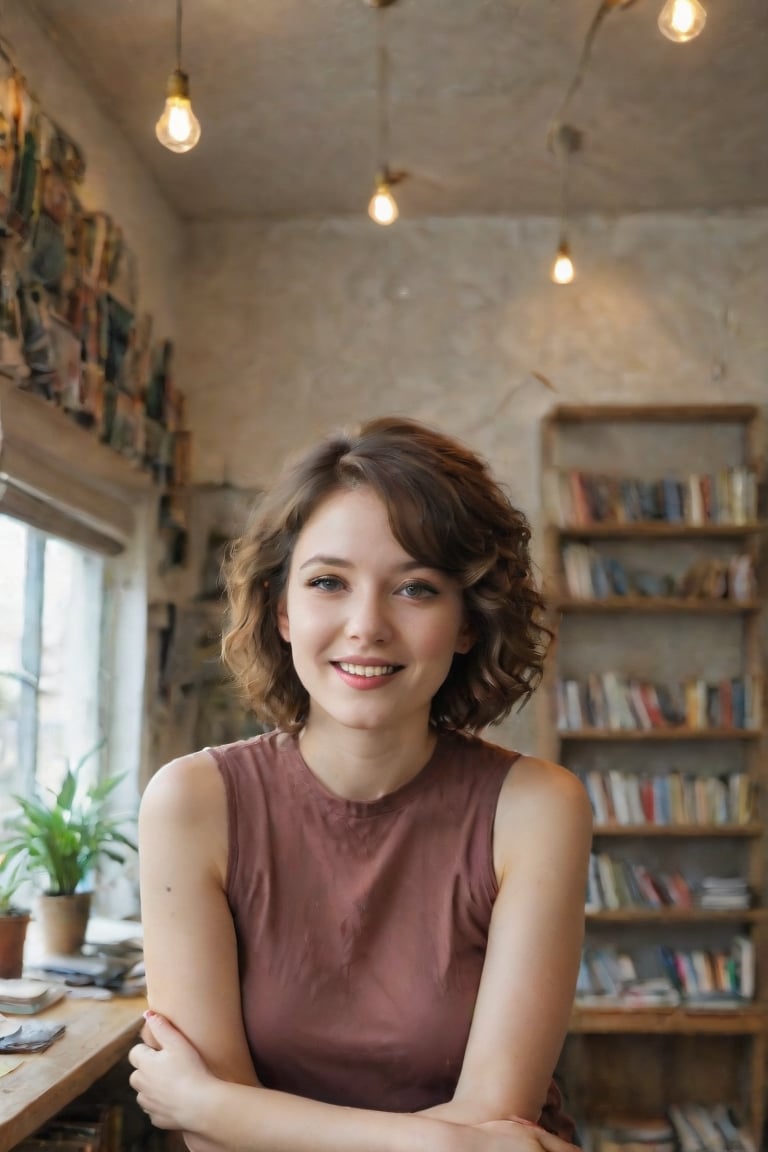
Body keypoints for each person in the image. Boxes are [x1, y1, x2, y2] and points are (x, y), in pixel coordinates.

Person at [128, 415, 593, 1152]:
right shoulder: (192, 803)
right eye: (327, 583)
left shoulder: (538, 808)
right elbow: (212, 1148)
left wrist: (213, 1106)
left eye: (415, 588)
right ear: (282, 611)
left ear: (468, 621)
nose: (366, 625)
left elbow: (497, 1115)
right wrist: (446, 1146)